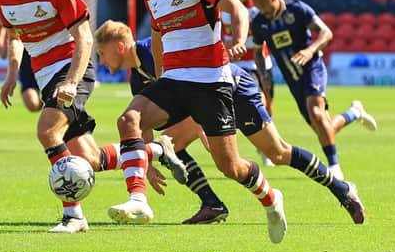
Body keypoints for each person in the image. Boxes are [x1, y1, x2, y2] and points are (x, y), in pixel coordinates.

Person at [0, 0, 185, 234]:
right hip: (46, 78)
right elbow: (15, 36)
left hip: (73, 69)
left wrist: (71, 80)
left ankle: (73, 216)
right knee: (89, 159)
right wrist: (11, 74)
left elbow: (83, 36)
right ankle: (155, 150)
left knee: (47, 131)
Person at [108, 0, 287, 243]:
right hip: (175, 81)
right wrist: (159, 81)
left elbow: (237, 10)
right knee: (128, 119)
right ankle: (138, 200)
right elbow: (159, 38)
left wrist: (239, 39)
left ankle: (271, 200)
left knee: (230, 167)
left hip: (210, 82)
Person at [95, 20, 365, 225]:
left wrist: (201, 129)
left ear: (119, 46)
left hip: (232, 85)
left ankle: (342, 188)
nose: (101, 60)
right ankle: (211, 203)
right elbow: (144, 126)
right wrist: (147, 165)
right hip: (204, 102)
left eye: (102, 52)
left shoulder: (153, 51)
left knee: (278, 152)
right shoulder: (137, 79)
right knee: (171, 145)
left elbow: (193, 82)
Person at [250, 0, 377, 181]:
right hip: (293, 78)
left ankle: (334, 166)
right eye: (259, 9)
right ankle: (355, 112)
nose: (263, 13)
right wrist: (264, 74)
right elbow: (257, 51)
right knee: (323, 127)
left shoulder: (297, 9)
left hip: (312, 68)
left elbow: (326, 32)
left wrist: (310, 50)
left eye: (265, 8)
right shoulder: (259, 22)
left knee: (317, 113)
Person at [224, 0, 275, 166]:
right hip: (237, 66)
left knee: (268, 106)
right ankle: (264, 148)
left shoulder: (258, 6)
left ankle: (266, 146)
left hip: (261, 63)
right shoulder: (223, 7)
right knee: (256, 102)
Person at [0, 24, 41, 112]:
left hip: (52, 62)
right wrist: (0, 40)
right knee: (32, 104)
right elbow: (3, 54)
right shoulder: (14, 13)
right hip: (28, 69)